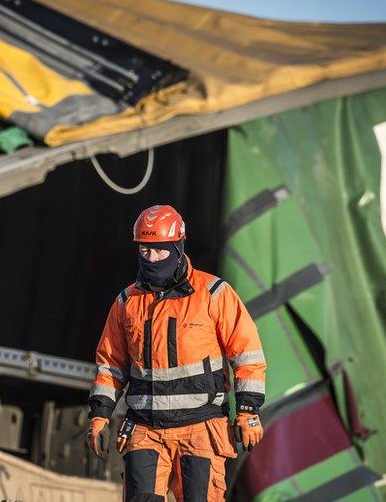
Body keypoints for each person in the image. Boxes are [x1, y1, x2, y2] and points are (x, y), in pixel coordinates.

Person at [86, 205, 267, 501]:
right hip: (146, 430)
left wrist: (247, 411)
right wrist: (99, 416)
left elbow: (247, 354)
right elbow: (110, 366)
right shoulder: (126, 302)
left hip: (201, 431)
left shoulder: (213, 294)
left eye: (160, 251)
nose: (152, 259)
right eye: (145, 251)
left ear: (178, 247)